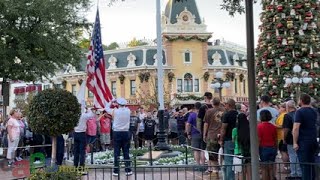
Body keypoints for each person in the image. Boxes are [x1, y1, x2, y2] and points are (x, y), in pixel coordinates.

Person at [293, 94, 318, 180]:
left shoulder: (299, 112)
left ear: (301, 101)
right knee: (311, 164)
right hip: (313, 140)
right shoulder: (314, 111)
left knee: (304, 166)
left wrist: (295, 142)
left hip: (303, 142)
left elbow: (296, 128)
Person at [105, 98, 132, 176]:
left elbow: (106, 108)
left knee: (116, 152)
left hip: (117, 133)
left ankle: (116, 171)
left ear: (118, 104)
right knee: (126, 152)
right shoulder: (128, 111)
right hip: (126, 132)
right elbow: (125, 108)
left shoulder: (115, 111)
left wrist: (111, 101)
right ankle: (128, 170)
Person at [203, 97, 225, 176]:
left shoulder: (209, 111)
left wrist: (204, 134)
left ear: (212, 104)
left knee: (212, 154)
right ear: (219, 102)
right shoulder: (224, 110)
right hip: (223, 134)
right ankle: (223, 170)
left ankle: (215, 171)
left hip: (211, 135)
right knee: (224, 153)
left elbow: (206, 124)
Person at [283, 100, 302, 178]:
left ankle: (294, 173)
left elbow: (286, 129)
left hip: (291, 139)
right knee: (298, 156)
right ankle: (299, 173)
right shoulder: (299, 114)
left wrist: (284, 138)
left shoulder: (287, 116)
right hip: (300, 137)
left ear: (288, 107)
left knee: (293, 156)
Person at [232, 103, 251, 180]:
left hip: (238, 152)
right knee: (249, 171)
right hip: (248, 152)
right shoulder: (250, 129)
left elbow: (233, 141)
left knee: (240, 172)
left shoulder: (235, 130)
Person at [220, 99, 237, 180]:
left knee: (229, 161)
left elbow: (223, 128)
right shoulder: (239, 114)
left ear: (228, 105)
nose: (224, 106)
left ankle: (230, 178)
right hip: (238, 140)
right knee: (239, 161)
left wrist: (221, 139)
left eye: (225, 105)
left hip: (228, 139)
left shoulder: (226, 115)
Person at [258, 110, 277, 180]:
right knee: (271, 168)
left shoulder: (259, 127)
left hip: (263, 148)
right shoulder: (273, 127)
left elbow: (259, 140)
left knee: (264, 168)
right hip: (272, 148)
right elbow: (275, 139)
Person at [197, 92, 214, 170]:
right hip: (215, 129)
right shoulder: (215, 106)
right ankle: (214, 167)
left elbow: (199, 120)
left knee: (204, 149)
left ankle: (206, 167)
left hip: (205, 130)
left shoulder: (203, 107)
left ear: (205, 97)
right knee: (214, 149)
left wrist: (199, 130)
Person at [186, 102, 203, 170]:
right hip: (202, 134)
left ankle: (198, 165)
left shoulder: (192, 115)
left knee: (196, 150)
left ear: (195, 107)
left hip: (194, 134)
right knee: (202, 150)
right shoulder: (203, 114)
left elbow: (188, 124)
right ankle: (203, 165)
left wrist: (188, 133)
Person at [275, 103, 289, 172]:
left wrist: (274, 125)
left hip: (282, 136)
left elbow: (281, 126)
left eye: (280, 108)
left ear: (284, 108)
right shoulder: (282, 115)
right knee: (284, 151)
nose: (279, 109)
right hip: (281, 136)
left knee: (283, 152)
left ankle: (286, 167)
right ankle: (287, 167)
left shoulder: (283, 115)